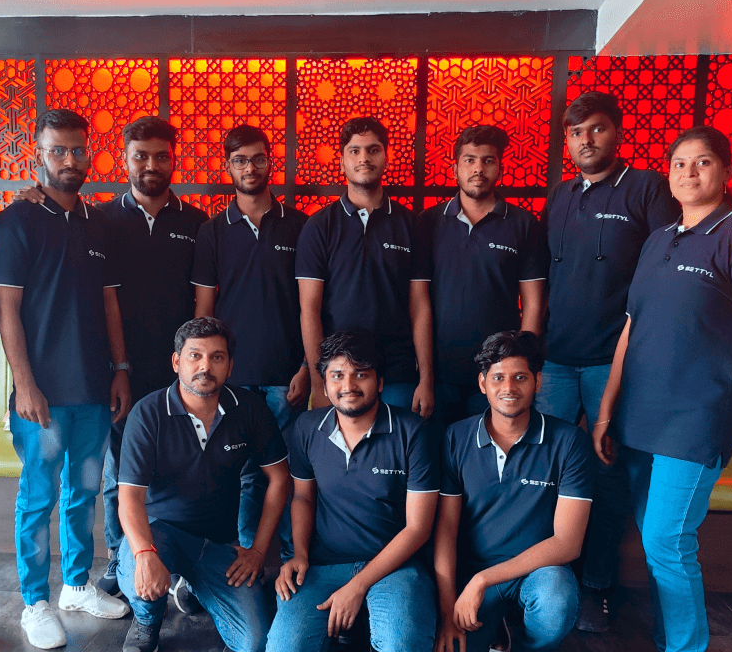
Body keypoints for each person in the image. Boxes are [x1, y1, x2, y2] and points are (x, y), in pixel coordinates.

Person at [593, 126, 732, 652]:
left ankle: (687, 647)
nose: (689, 172)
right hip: (638, 416)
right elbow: (631, 330)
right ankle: (670, 640)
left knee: (667, 540)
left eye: (702, 162)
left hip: (695, 419)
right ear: (668, 173)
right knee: (656, 541)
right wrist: (605, 413)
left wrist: (721, 368)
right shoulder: (658, 238)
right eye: (679, 163)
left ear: (726, 172)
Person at [13, 116, 209, 597]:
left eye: (160, 155)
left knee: (185, 468)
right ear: (123, 160)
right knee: (117, 473)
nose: (150, 165)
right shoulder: (101, 219)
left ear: (173, 159)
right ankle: (123, 561)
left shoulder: (197, 222)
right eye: (140, 155)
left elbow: (204, 302)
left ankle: (180, 562)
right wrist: (31, 196)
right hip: (117, 372)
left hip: (181, 372)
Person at [535, 90, 679, 631]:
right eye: (575, 133)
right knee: (540, 470)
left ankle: (597, 585)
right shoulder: (561, 196)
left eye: (595, 129)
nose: (585, 140)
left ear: (616, 133)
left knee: (606, 473)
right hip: (555, 360)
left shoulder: (646, 189)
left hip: (613, 365)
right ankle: (542, 583)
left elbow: (667, 271)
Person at [0, 109, 131, 649]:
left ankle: (75, 585)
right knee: (37, 498)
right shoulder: (16, 222)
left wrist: (120, 370)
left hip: (94, 389)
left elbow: (109, 303)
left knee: (85, 492)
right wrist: (24, 384)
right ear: (38, 154)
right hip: (43, 395)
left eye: (77, 150)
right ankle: (35, 601)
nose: (69, 160)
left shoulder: (98, 224)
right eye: (58, 151)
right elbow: (7, 311)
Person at [116, 317, 291, 652]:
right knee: (138, 573)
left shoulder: (250, 409)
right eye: (195, 355)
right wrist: (143, 553)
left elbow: (279, 479)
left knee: (253, 642)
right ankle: (147, 619)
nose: (205, 367)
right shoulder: (148, 413)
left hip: (218, 543)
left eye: (217, 357)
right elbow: (129, 497)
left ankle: (192, 584)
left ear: (229, 365)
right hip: (159, 533)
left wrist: (256, 551)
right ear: (176, 361)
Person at [267, 328, 439, 652]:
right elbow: (303, 497)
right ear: (325, 384)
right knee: (282, 647)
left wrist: (357, 587)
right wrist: (299, 554)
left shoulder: (413, 433)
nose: (348, 386)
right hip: (322, 564)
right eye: (337, 375)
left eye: (361, 374)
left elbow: (418, 529)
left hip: (394, 566)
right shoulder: (306, 428)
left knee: (403, 645)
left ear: (381, 382)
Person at [434, 331, 595, 652]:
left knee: (555, 600)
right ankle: (496, 628)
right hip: (471, 576)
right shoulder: (455, 437)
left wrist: (486, 579)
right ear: (483, 384)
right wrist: (447, 611)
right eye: (498, 378)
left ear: (537, 381)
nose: (508, 388)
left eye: (520, 377)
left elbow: (568, 543)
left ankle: (522, 643)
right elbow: (446, 530)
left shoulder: (568, 442)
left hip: (536, 574)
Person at [192, 124, 309, 559]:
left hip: (287, 377)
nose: (250, 167)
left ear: (270, 161)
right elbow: (204, 313)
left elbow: (313, 306)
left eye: (258, 158)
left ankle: (283, 560)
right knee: (242, 474)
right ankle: (244, 559)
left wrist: (307, 368)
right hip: (233, 379)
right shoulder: (212, 231)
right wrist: (208, 372)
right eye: (240, 160)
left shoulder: (300, 226)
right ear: (228, 167)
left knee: (289, 472)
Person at [296, 116, 434, 418]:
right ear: (342, 161)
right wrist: (318, 384)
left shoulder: (411, 224)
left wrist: (426, 378)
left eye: (373, 150)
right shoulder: (319, 226)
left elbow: (420, 306)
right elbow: (310, 309)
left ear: (386, 156)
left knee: (396, 458)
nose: (364, 158)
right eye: (354, 151)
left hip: (397, 371)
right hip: (339, 372)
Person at [420, 125, 548, 428]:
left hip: (498, 372)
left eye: (488, 160)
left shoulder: (523, 224)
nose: (478, 168)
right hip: (439, 371)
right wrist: (423, 373)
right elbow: (418, 301)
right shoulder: (428, 223)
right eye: (469, 160)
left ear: (499, 167)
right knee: (439, 455)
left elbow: (533, 303)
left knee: (488, 457)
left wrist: (523, 364)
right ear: (454, 169)